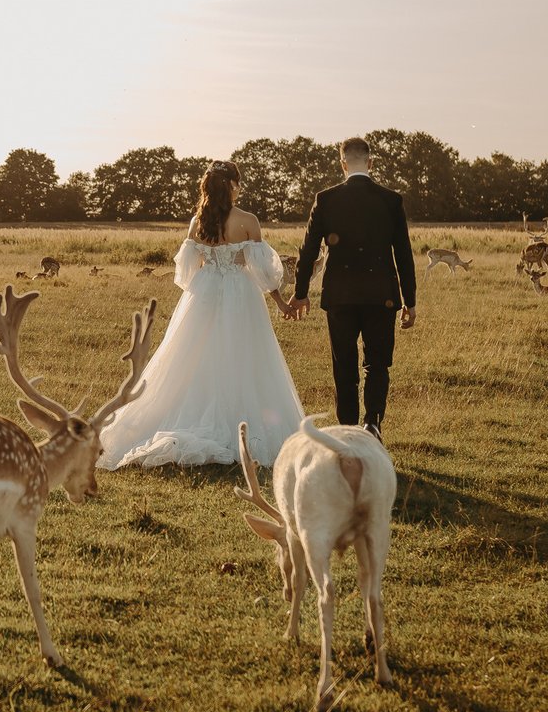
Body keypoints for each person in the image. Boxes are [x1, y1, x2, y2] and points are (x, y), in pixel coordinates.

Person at [97, 161, 305, 469]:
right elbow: (262, 272)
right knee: (245, 355)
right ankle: (243, 426)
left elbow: (187, 273)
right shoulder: (248, 220)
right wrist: (280, 303)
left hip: (204, 293)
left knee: (193, 354)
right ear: (233, 185)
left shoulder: (198, 222)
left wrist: (208, 278)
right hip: (240, 293)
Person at [287, 136, 416, 439]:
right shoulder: (391, 200)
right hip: (381, 295)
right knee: (377, 363)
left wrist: (302, 291)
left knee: (344, 364)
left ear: (343, 164)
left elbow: (308, 251)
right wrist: (410, 301)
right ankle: (372, 423)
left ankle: (346, 429)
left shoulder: (326, 199)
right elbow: (404, 254)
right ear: (370, 163)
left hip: (340, 295)